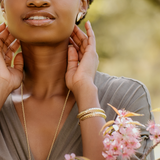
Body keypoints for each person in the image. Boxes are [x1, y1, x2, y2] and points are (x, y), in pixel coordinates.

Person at [0, 0, 154, 159]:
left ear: (82, 3)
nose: (38, 1)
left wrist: (86, 91)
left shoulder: (127, 98)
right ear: (2, 4)